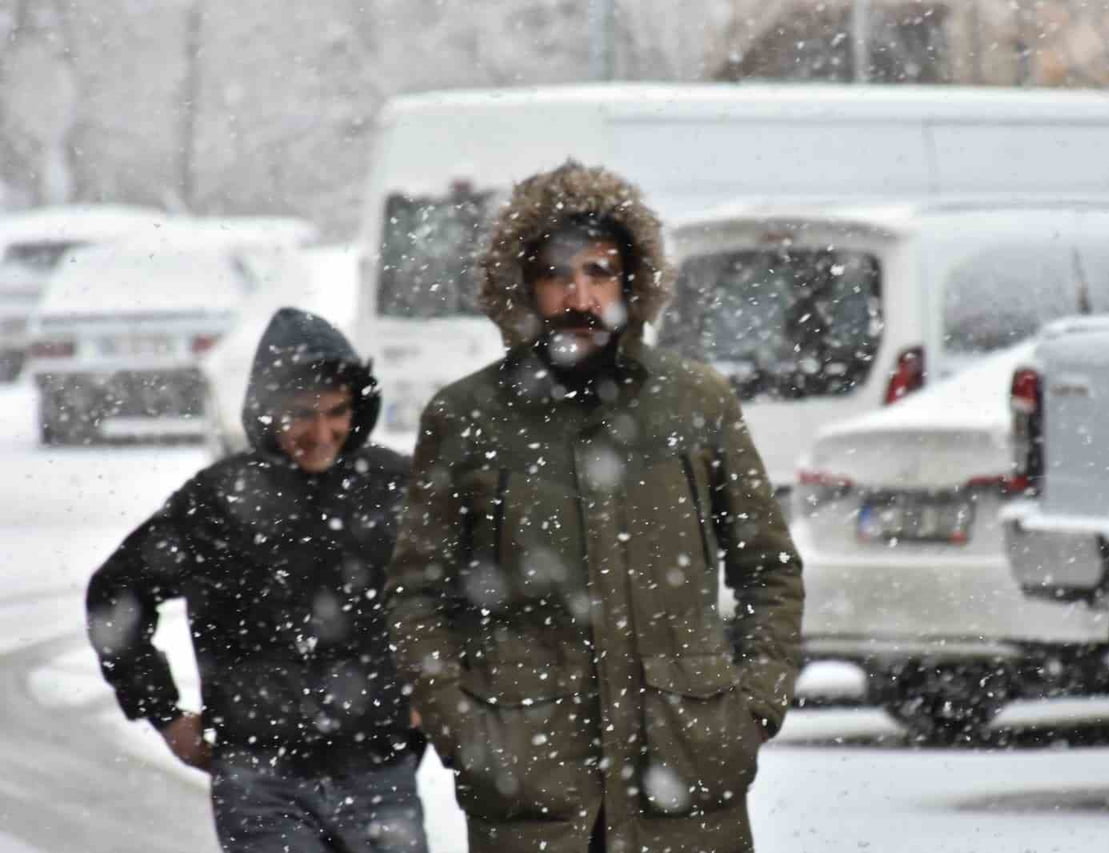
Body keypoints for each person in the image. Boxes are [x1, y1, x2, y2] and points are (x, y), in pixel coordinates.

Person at [385, 161, 804, 853]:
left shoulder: (695, 404)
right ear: (523, 286)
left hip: (688, 773)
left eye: (599, 272)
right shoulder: (467, 418)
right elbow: (417, 594)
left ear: (632, 282)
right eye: (557, 274)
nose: (580, 296)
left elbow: (770, 569)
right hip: (532, 787)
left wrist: (753, 705)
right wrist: (463, 728)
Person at [86, 308, 429, 853]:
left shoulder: (395, 488)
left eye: (337, 412)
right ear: (268, 410)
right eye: (301, 415)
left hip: (377, 772)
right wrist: (164, 713)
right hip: (260, 783)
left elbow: (474, 593)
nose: (321, 433)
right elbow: (115, 595)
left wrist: (437, 694)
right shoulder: (218, 502)